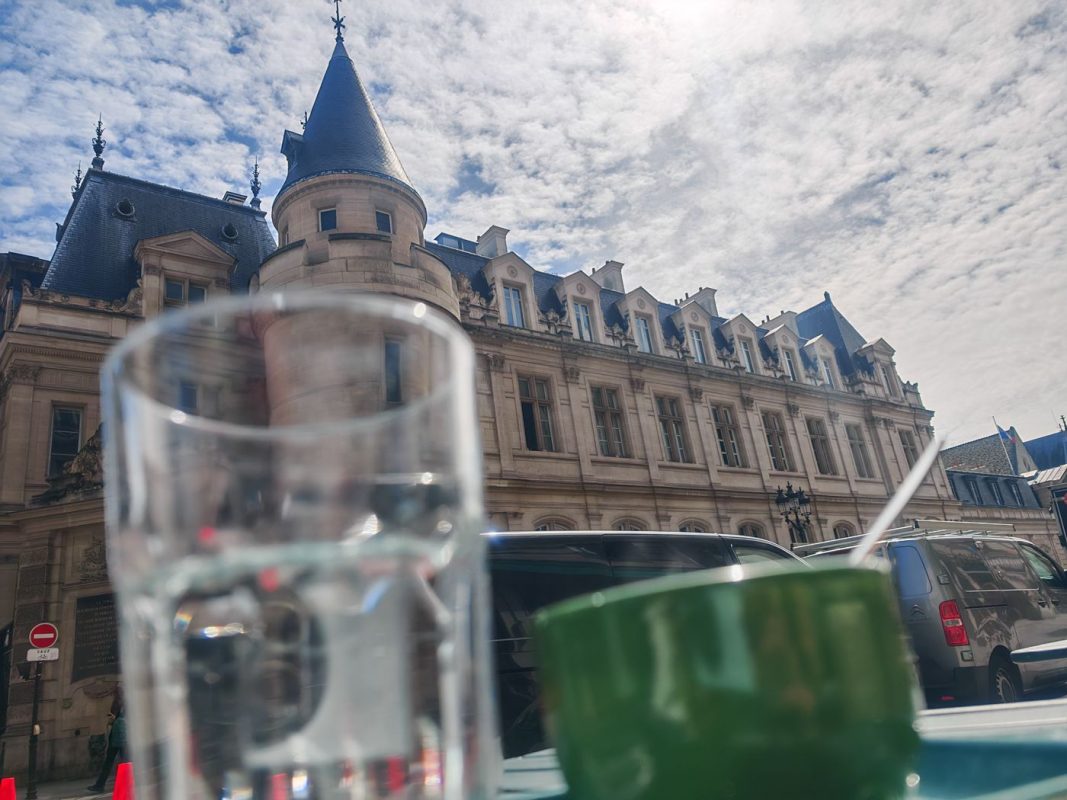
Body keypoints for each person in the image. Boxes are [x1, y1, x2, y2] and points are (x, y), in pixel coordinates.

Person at [87, 703, 127, 793]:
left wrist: (115, 720)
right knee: (110, 762)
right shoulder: (122, 704)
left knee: (123, 763)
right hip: (116, 737)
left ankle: (101, 785)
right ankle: (100, 785)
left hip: (123, 738)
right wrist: (114, 719)